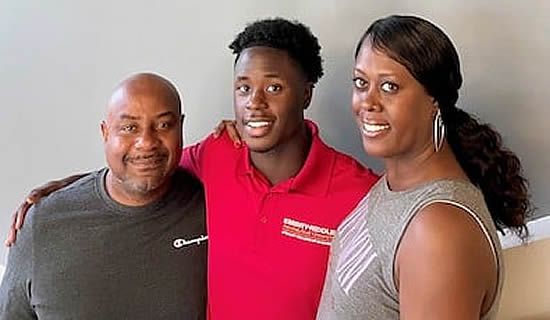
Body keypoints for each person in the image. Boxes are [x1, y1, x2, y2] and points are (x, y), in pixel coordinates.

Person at [4, 19, 380, 320]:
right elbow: (144, 167)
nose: (255, 103)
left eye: (275, 88)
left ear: (307, 94)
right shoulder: (217, 155)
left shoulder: (359, 193)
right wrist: (63, 191)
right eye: (244, 88)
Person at [315, 15, 532, 320]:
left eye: (389, 86)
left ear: (435, 101)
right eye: (361, 83)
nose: (368, 102)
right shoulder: (398, 183)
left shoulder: (438, 233)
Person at [0, 73, 208, 319]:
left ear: (180, 127)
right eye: (129, 128)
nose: (146, 142)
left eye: (163, 125)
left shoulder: (211, 205)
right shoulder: (41, 223)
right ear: (105, 133)